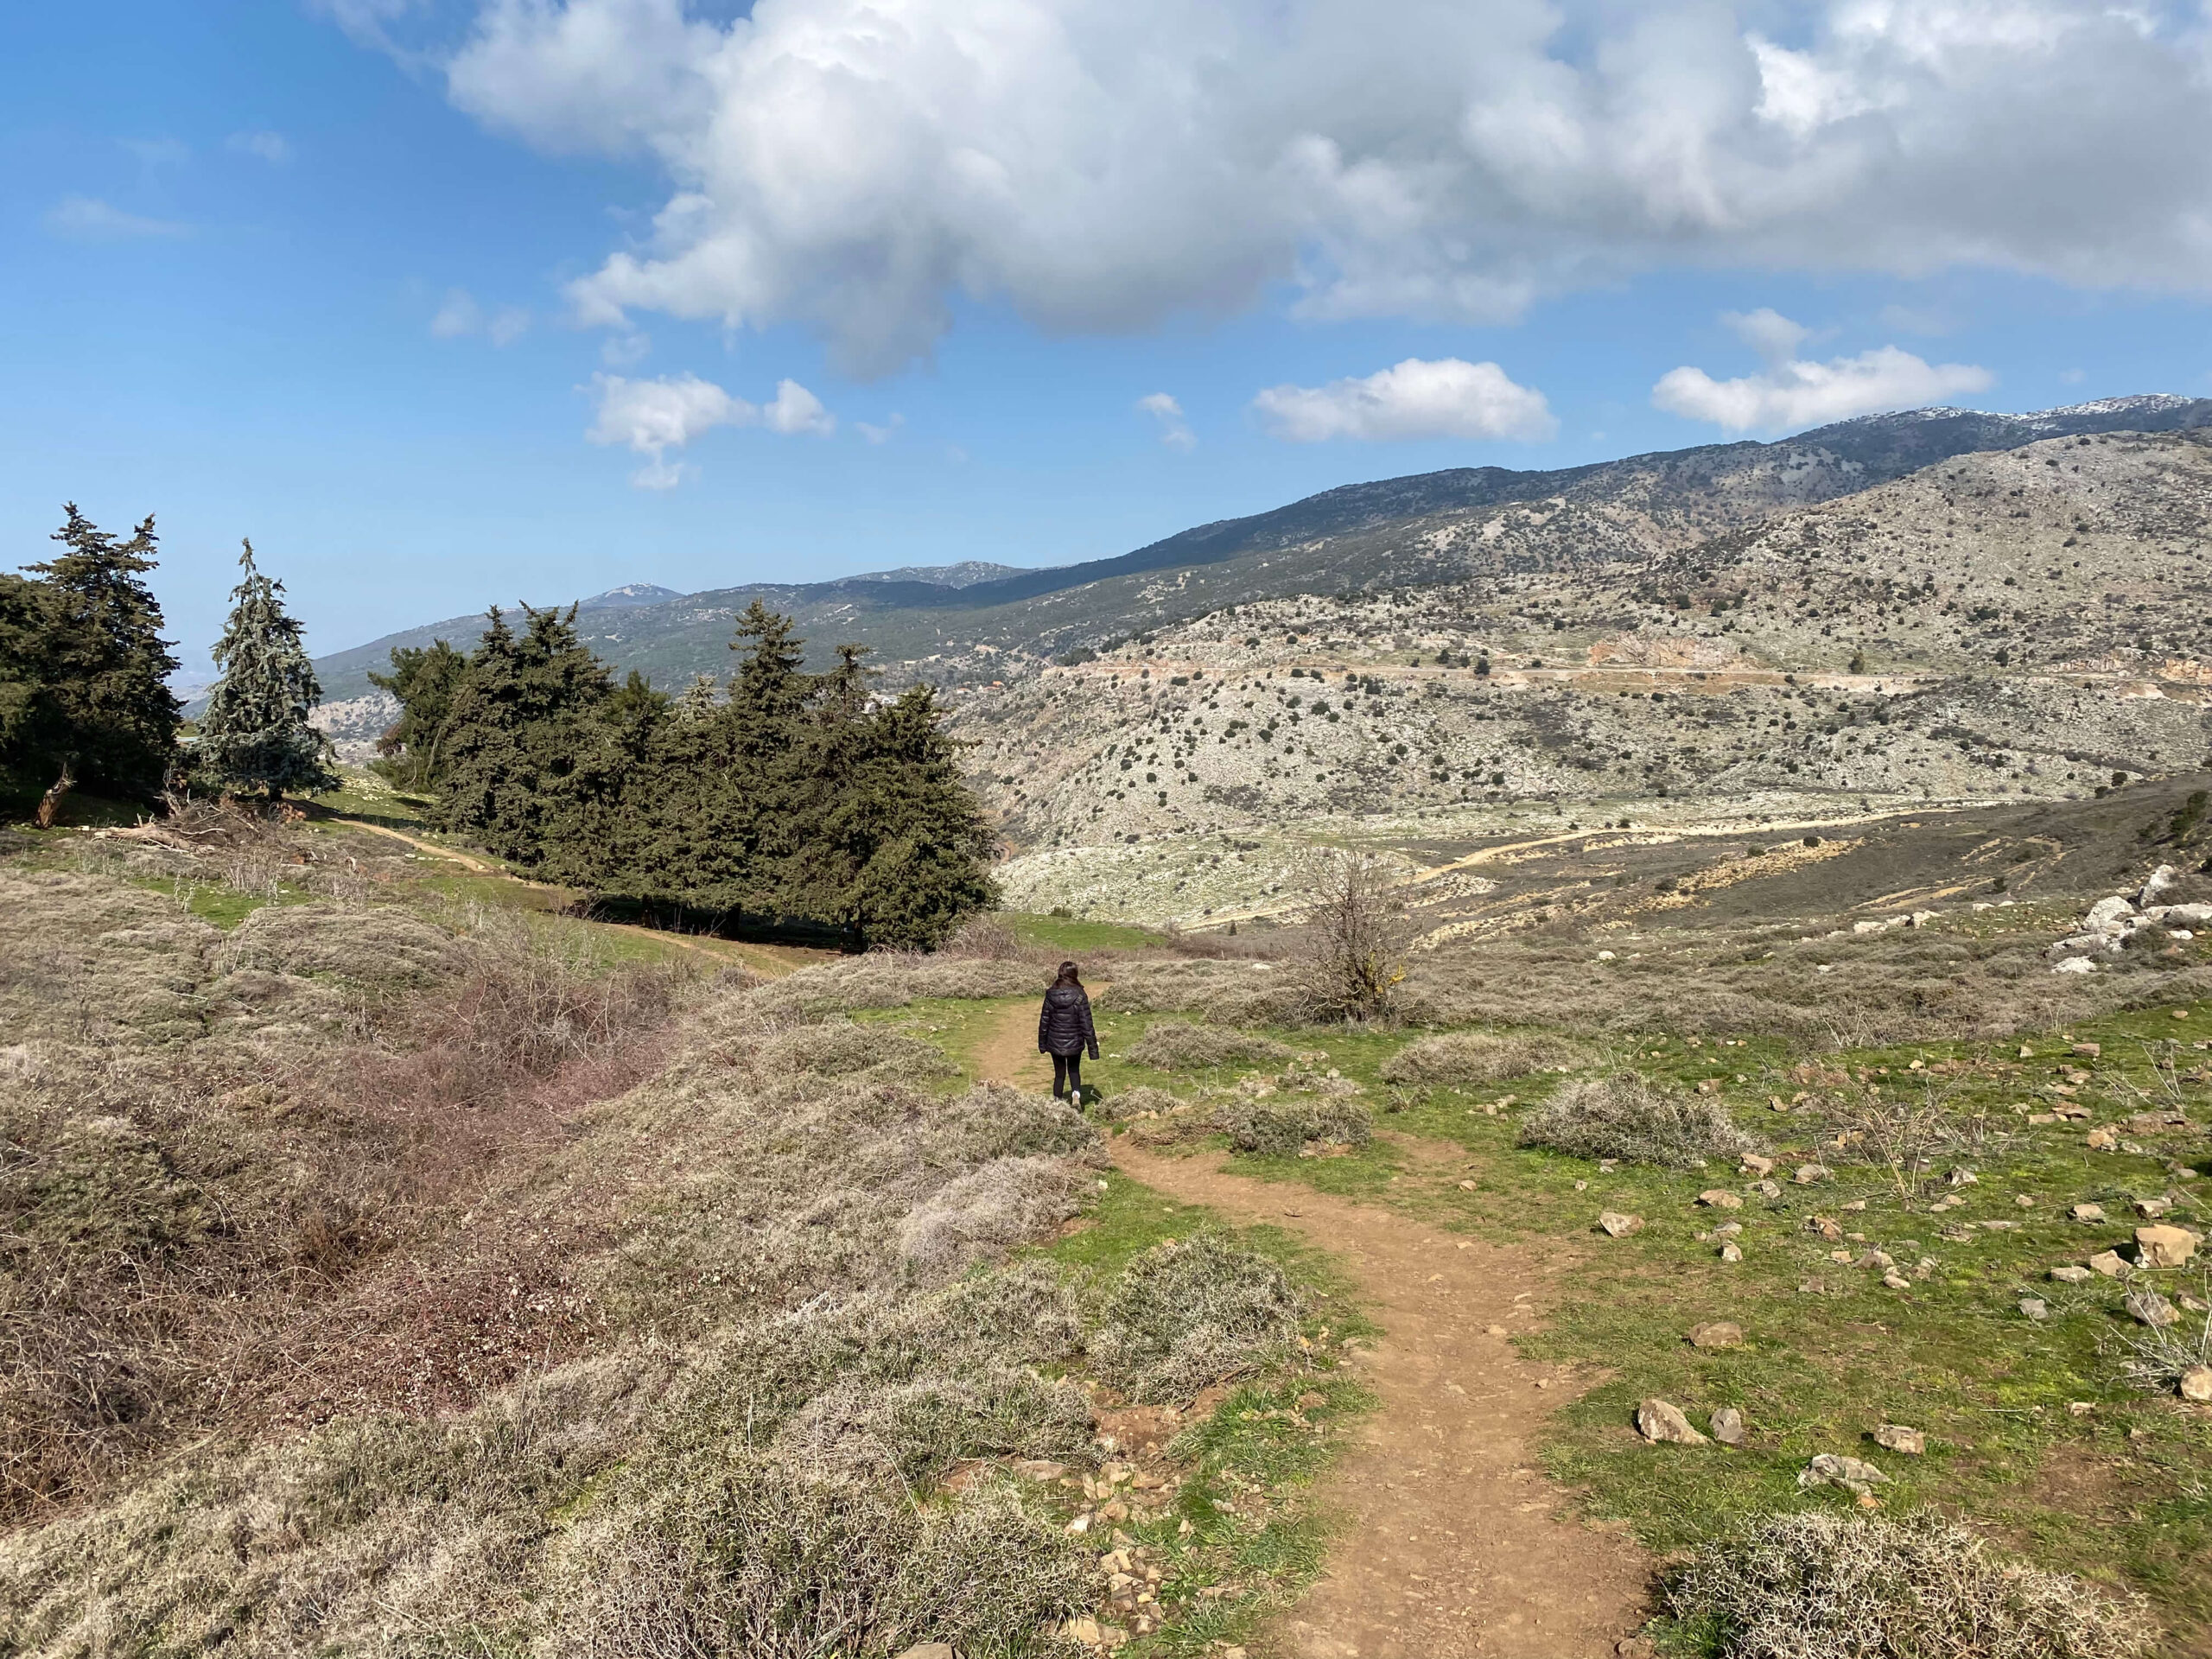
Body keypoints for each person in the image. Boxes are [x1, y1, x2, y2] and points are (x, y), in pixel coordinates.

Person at [1038, 959, 1099, 1104]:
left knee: (1059, 1074)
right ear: (1075, 975)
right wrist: (1093, 1049)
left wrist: (1042, 1043)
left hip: (1055, 1041)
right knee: (1074, 1070)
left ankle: (1057, 1102)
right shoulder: (1080, 995)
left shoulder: (1051, 994)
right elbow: (1087, 1023)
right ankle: (1076, 1096)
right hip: (1075, 1041)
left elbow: (1044, 1021)